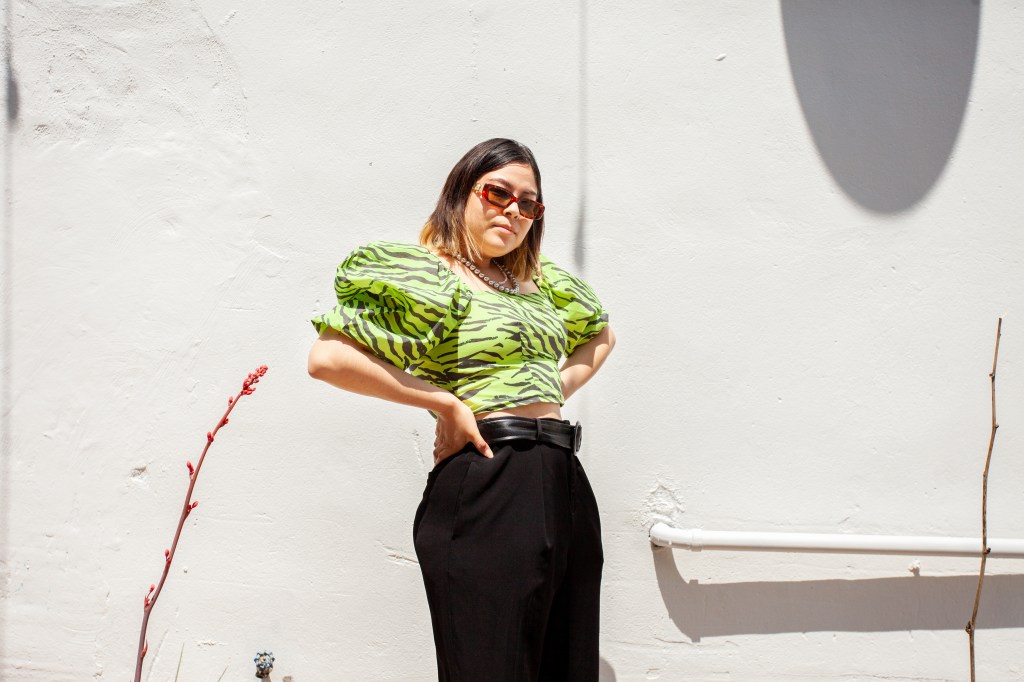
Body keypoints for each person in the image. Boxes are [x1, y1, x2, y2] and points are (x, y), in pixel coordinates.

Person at [307, 138, 616, 681]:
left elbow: (601, 338)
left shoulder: (538, 284)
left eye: (529, 204)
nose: (513, 211)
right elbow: (328, 358)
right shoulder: (434, 274)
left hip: (563, 477)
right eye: (498, 193)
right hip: (491, 476)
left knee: (568, 668)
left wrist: (546, 391)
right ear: (462, 192)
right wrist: (445, 403)